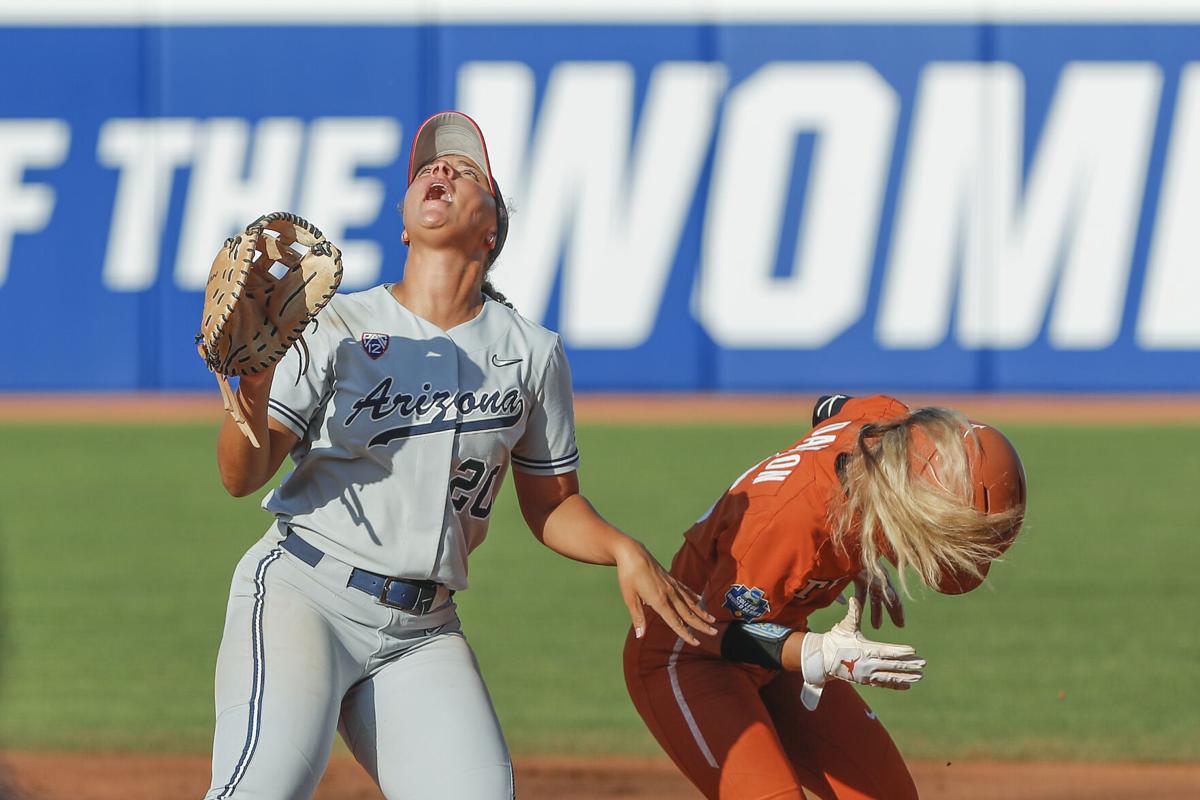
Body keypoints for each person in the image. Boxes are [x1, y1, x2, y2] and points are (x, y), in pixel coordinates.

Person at [203, 110, 715, 800]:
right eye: (427, 170)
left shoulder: (531, 353)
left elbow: (553, 504)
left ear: (492, 227)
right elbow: (241, 477)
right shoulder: (336, 324)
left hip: (423, 631)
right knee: (263, 788)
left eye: (463, 170)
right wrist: (255, 386)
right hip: (304, 595)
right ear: (406, 222)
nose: (440, 171)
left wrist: (624, 549)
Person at [623, 394, 1027, 800]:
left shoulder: (894, 430)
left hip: (774, 639)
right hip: (688, 653)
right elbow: (715, 629)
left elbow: (828, 409)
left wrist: (866, 543)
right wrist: (823, 654)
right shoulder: (791, 522)